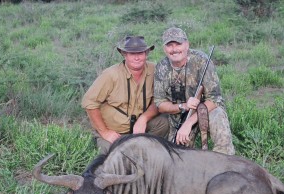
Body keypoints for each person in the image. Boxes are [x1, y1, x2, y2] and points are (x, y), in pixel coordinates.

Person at [154, 27, 235, 155]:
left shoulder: (202, 61)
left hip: (207, 110)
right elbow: (160, 104)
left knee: (219, 117)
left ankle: (225, 163)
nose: (174, 49)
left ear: (187, 45)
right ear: (164, 48)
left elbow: (215, 99)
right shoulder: (161, 67)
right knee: (178, 153)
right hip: (179, 116)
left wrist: (188, 123)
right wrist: (184, 106)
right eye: (170, 45)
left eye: (178, 44)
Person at [82, 36, 169, 154]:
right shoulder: (111, 74)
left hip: (140, 128)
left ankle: (144, 151)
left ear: (146, 53)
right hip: (115, 131)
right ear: (124, 54)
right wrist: (105, 132)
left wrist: (144, 118)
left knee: (164, 123)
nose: (137, 57)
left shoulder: (154, 69)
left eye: (140, 53)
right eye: (132, 54)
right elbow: (89, 102)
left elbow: (158, 99)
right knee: (109, 156)